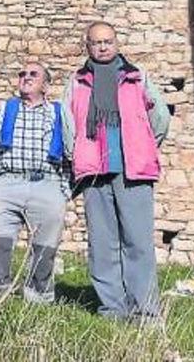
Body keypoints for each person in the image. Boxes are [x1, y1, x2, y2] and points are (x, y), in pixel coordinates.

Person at [62, 21, 170, 321]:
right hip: (95, 171)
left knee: (138, 242)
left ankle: (145, 311)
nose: (103, 46)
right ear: (88, 46)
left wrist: (144, 146)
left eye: (108, 41)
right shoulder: (77, 81)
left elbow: (160, 118)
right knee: (102, 244)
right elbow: (67, 122)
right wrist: (77, 154)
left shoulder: (137, 78)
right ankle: (112, 308)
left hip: (133, 170)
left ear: (117, 43)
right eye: (97, 42)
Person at [0, 62, 73, 303]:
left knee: (45, 247)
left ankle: (38, 298)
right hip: (6, 181)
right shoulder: (3, 110)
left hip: (47, 183)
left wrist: (64, 189)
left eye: (33, 74)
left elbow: (72, 151)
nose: (26, 78)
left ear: (46, 85)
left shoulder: (59, 113)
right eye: (22, 74)